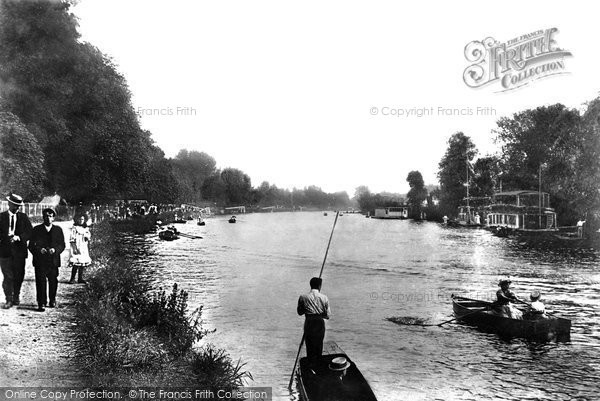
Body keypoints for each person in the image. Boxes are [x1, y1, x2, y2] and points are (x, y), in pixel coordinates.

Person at [28, 208, 65, 312]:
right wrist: (39, 250)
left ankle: (52, 299)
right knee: (40, 282)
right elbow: (31, 246)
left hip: (53, 260)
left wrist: (55, 250)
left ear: (53, 218)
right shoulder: (36, 229)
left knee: (53, 280)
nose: (48, 218)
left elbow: (62, 245)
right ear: (43, 217)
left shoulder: (58, 230)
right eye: (46, 216)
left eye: (50, 216)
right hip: (40, 261)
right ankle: (41, 303)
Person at [0, 193, 33, 309]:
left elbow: (30, 232)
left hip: (19, 252)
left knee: (19, 275)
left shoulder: (23, 217)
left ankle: (16, 296)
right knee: (8, 276)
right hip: (5, 252)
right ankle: (8, 299)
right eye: (14, 205)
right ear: (9, 204)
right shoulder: (1, 217)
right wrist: (5, 238)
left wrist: (19, 237)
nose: (17, 208)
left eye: (18, 206)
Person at [297, 277, 331, 360]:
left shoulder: (303, 297)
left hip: (309, 321)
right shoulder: (324, 297)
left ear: (310, 285)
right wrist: (320, 314)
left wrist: (308, 310)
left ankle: (311, 366)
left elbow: (300, 312)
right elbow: (328, 315)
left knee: (310, 346)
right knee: (319, 346)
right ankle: (318, 366)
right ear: (319, 286)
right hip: (319, 322)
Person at [68, 214, 91, 284]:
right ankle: (72, 278)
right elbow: (72, 238)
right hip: (77, 246)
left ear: (84, 220)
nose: (81, 221)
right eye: (79, 219)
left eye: (82, 219)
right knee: (76, 262)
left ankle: (80, 278)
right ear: (76, 220)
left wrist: (87, 237)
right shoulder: (74, 228)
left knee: (82, 263)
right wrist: (74, 248)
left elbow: (88, 236)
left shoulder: (85, 228)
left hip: (83, 247)